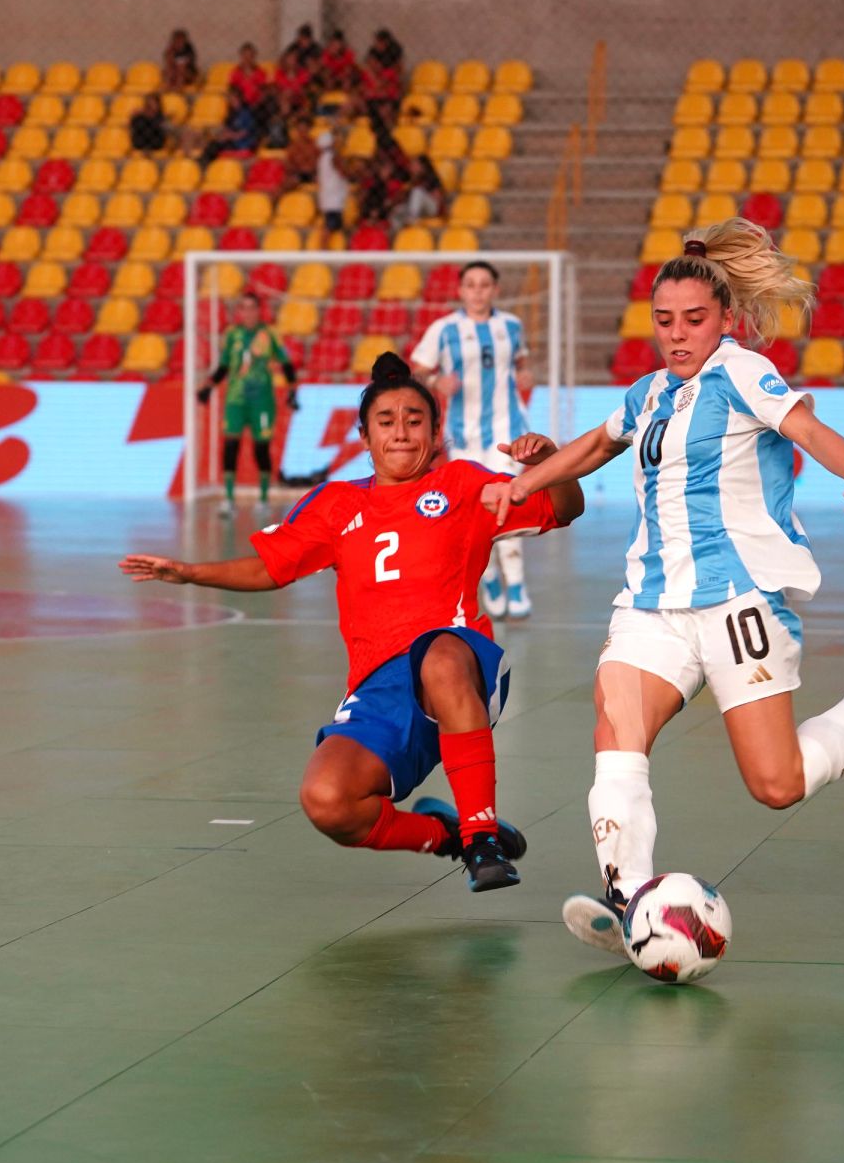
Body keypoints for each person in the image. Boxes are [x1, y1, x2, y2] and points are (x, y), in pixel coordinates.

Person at [480, 219, 844, 956]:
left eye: (694, 320)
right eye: (664, 320)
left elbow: (806, 429)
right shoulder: (649, 393)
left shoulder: (743, 372)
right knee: (616, 728)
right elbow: (598, 444)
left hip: (739, 601)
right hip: (651, 604)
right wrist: (525, 482)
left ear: (725, 319)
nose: (677, 334)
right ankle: (632, 898)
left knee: (777, 785)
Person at [120, 353, 585, 891]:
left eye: (415, 420)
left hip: (460, 664)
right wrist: (188, 573)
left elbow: (563, 508)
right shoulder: (336, 504)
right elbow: (270, 568)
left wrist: (551, 462)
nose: (401, 432)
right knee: (327, 800)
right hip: (378, 687)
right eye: (386, 421)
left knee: (439, 656)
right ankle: (447, 836)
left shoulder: (462, 485)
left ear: (435, 434)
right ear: (365, 437)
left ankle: (482, 839)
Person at [412, 260, 536, 619]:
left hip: (506, 429)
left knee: (507, 499)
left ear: (495, 290)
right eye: (471, 285)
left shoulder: (510, 325)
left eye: (484, 285)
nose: (478, 292)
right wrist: (435, 382)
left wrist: (525, 374)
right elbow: (418, 371)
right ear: (460, 290)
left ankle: (516, 582)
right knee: (476, 510)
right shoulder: (443, 329)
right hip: (463, 434)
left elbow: (521, 361)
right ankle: (490, 575)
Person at [197, 292, 297, 514]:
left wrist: (292, 390)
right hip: (235, 400)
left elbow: (287, 363)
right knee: (230, 446)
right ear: (239, 312)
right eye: (244, 307)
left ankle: (263, 499)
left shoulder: (269, 334)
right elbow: (224, 366)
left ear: (259, 310)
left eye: (252, 307)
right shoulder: (232, 335)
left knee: (261, 449)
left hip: (262, 401)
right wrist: (208, 387)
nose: (248, 312)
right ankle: (228, 499)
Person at [315, 130, 351, 234]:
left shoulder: (321, 159)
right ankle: (323, 244)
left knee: (336, 228)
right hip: (334, 199)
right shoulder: (333, 157)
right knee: (329, 227)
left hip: (328, 197)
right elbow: (344, 173)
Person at [394, 156, 447, 226]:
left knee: (417, 191)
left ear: (422, 166)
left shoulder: (430, 177)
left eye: (415, 164)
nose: (411, 167)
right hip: (418, 210)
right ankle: (397, 230)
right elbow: (404, 199)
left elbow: (438, 199)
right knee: (397, 210)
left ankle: (412, 219)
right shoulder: (411, 181)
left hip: (432, 209)